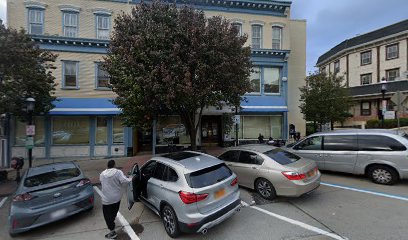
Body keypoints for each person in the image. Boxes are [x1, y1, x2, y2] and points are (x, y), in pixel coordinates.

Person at [100, 160, 132, 239]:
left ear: (107, 166)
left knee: (107, 215)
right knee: (114, 211)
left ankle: (112, 231)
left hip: (106, 199)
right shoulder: (118, 172)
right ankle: (112, 224)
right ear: (114, 165)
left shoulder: (102, 174)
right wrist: (131, 178)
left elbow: (102, 183)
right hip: (116, 198)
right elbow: (124, 181)